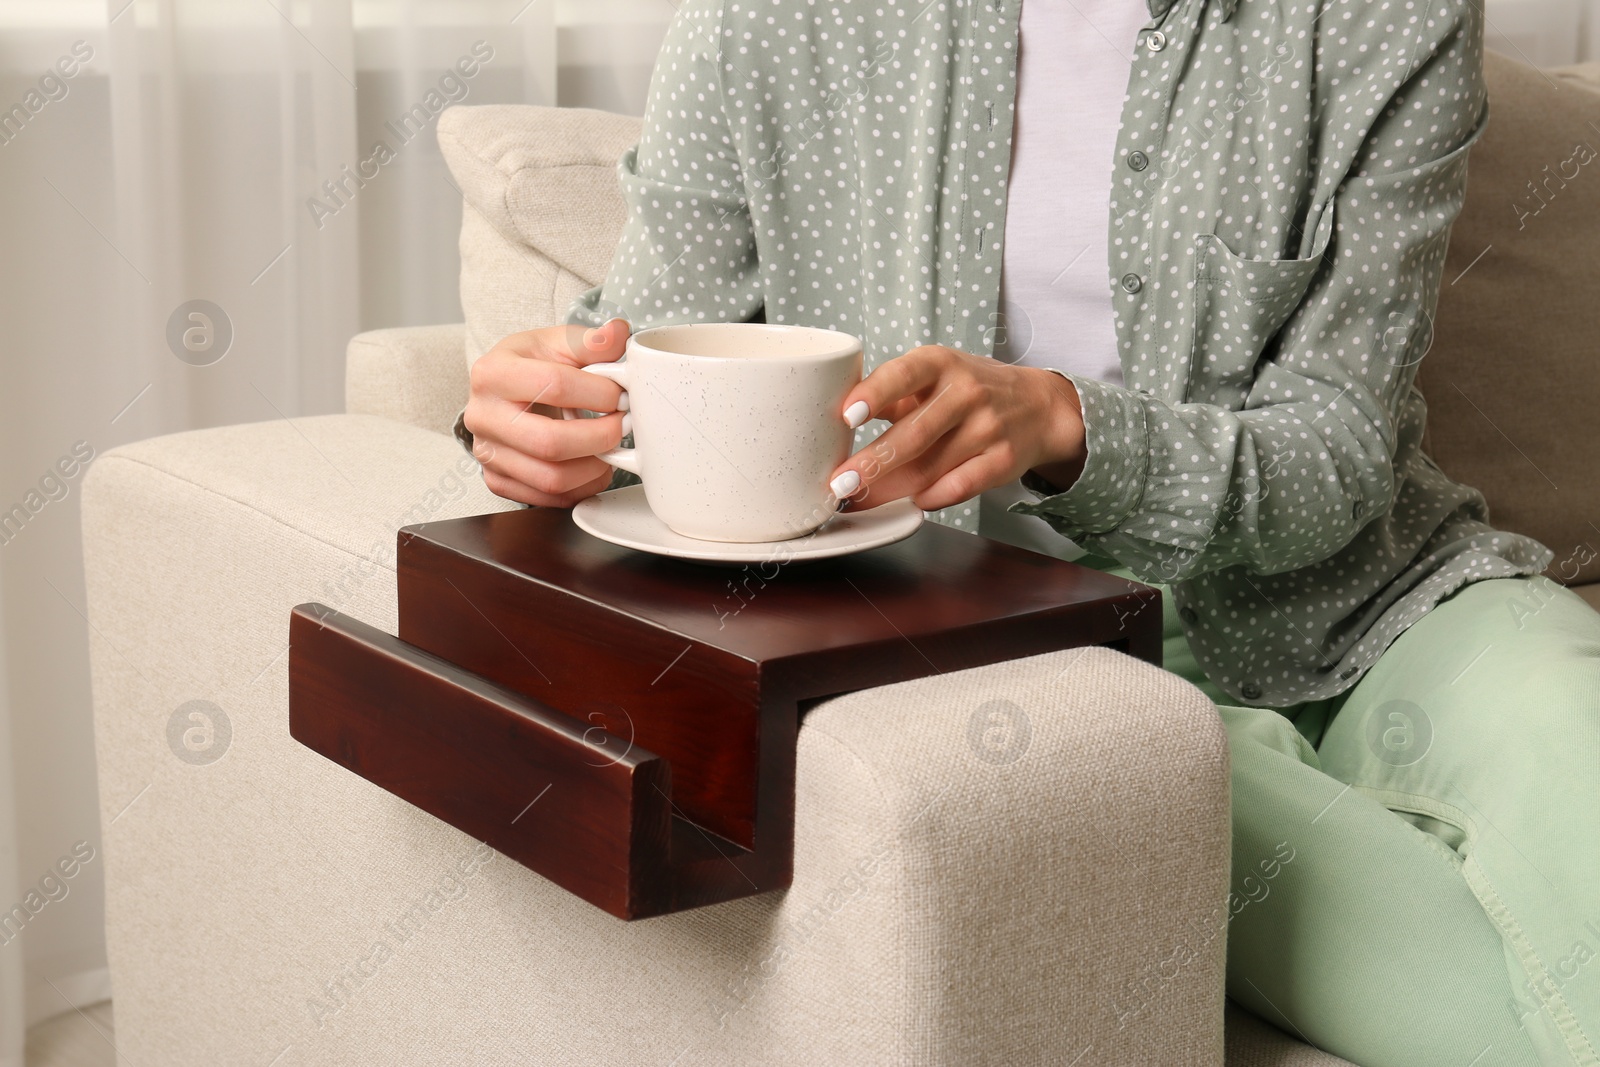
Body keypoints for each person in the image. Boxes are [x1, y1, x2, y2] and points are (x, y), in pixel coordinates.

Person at [459, 0, 1600, 1062]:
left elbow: (1341, 448)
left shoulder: (1385, 15)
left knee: (1573, 740)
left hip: (1383, 594)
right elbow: (652, 360)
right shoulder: (771, 21)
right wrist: (531, 422)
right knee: (1471, 995)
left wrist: (1069, 424)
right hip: (1012, 656)